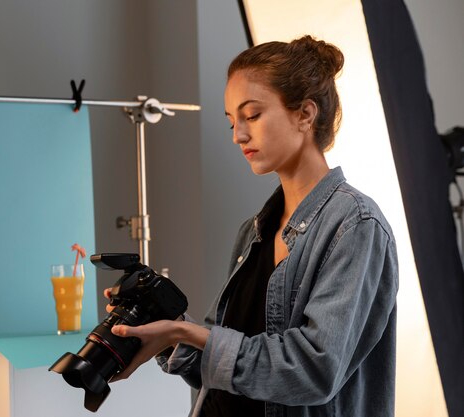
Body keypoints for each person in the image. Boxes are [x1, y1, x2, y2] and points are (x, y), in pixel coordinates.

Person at [105, 35, 399, 417]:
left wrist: (186, 333)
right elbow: (223, 368)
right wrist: (165, 328)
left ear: (305, 115)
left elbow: (313, 371)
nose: (237, 135)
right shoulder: (254, 231)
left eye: (252, 115)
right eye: (231, 121)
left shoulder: (356, 226)